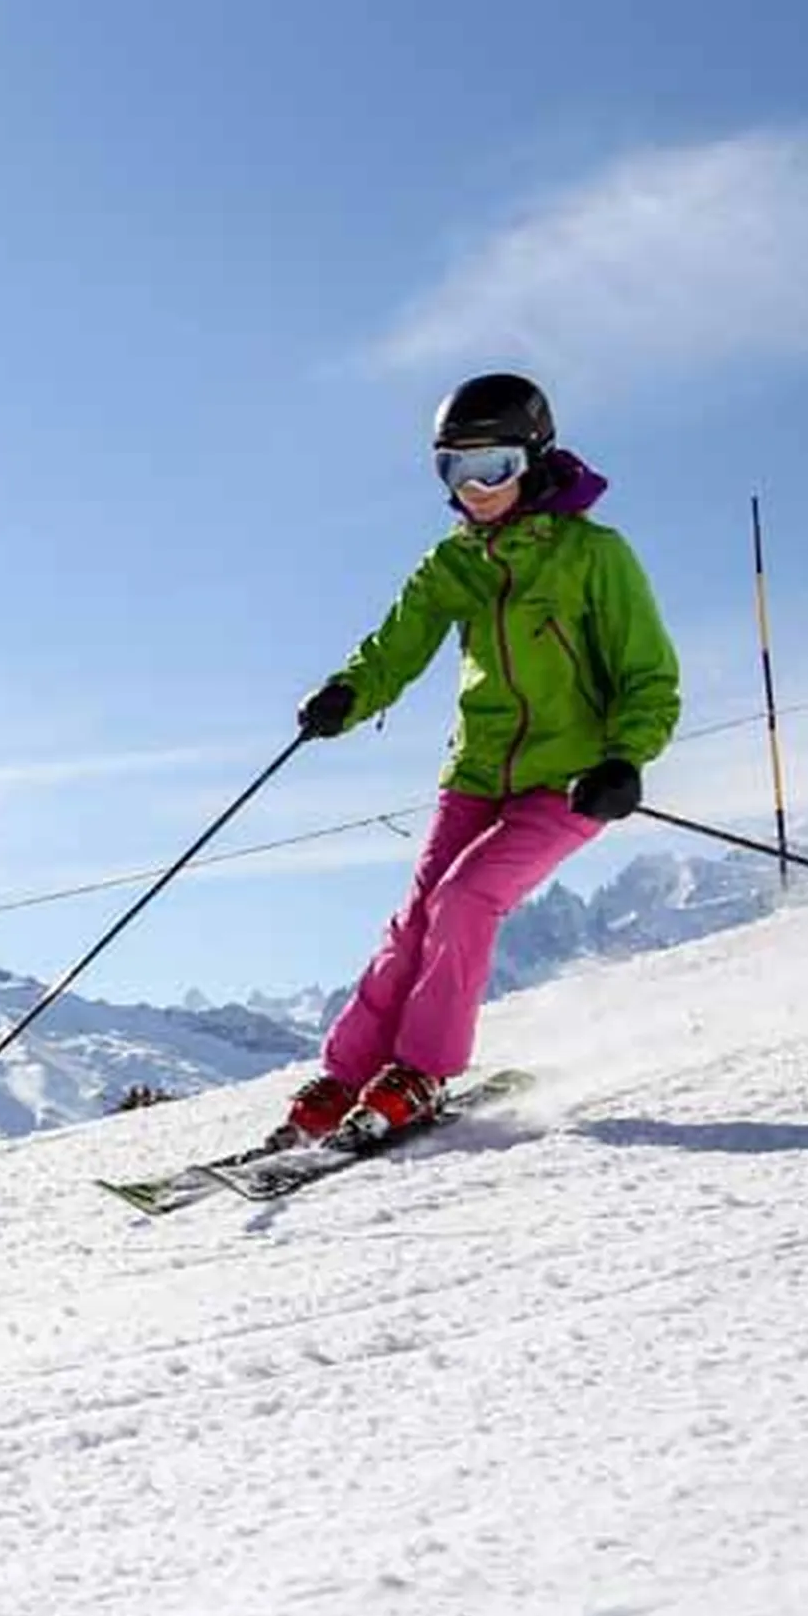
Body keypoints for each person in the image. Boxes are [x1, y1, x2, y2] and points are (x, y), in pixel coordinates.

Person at [277, 370, 680, 1145]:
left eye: (491, 466)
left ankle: (422, 1070)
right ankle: (346, 1074)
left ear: (533, 459)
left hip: (570, 780)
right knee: (416, 919)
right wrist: (346, 695)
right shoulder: (451, 566)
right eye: (454, 470)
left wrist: (625, 759)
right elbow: (394, 650)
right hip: (475, 774)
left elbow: (648, 676)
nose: (475, 488)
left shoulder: (594, 555)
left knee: (465, 900)